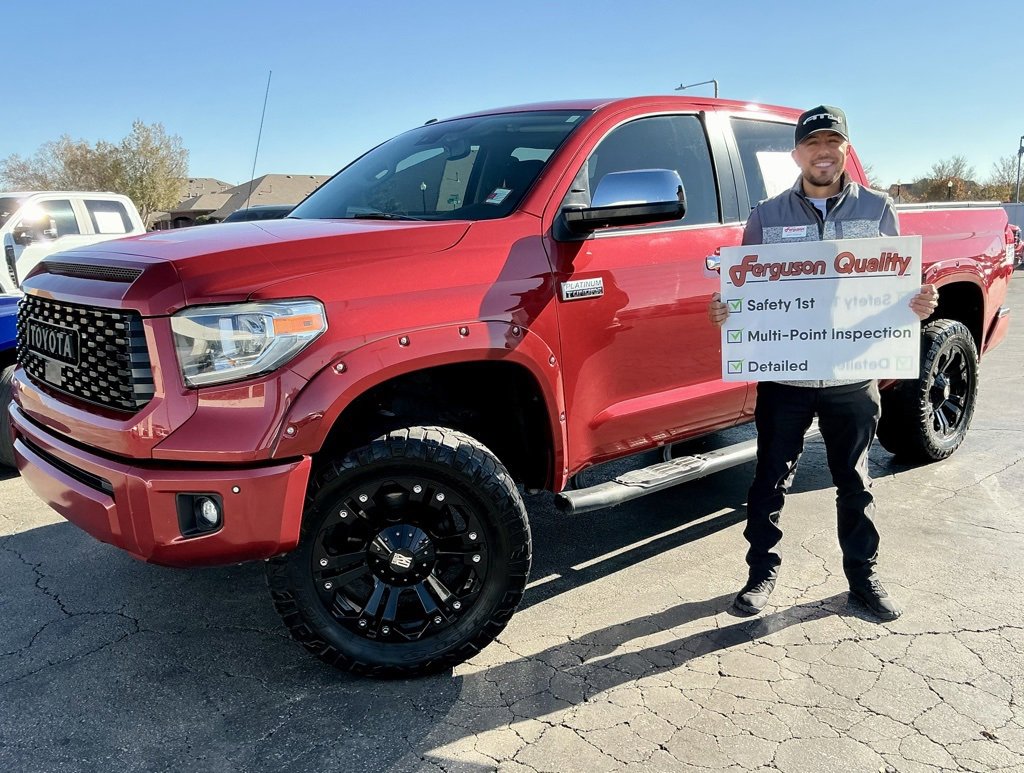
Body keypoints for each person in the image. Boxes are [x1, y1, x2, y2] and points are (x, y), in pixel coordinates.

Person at [708, 105, 938, 621]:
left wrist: (921, 302)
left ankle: (863, 578)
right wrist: (725, 308)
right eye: (813, 143)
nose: (823, 152)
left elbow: (900, 287)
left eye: (833, 142)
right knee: (769, 479)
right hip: (785, 377)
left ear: (845, 151)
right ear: (797, 154)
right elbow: (745, 289)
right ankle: (761, 573)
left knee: (854, 481)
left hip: (851, 376)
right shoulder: (767, 215)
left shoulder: (878, 209)